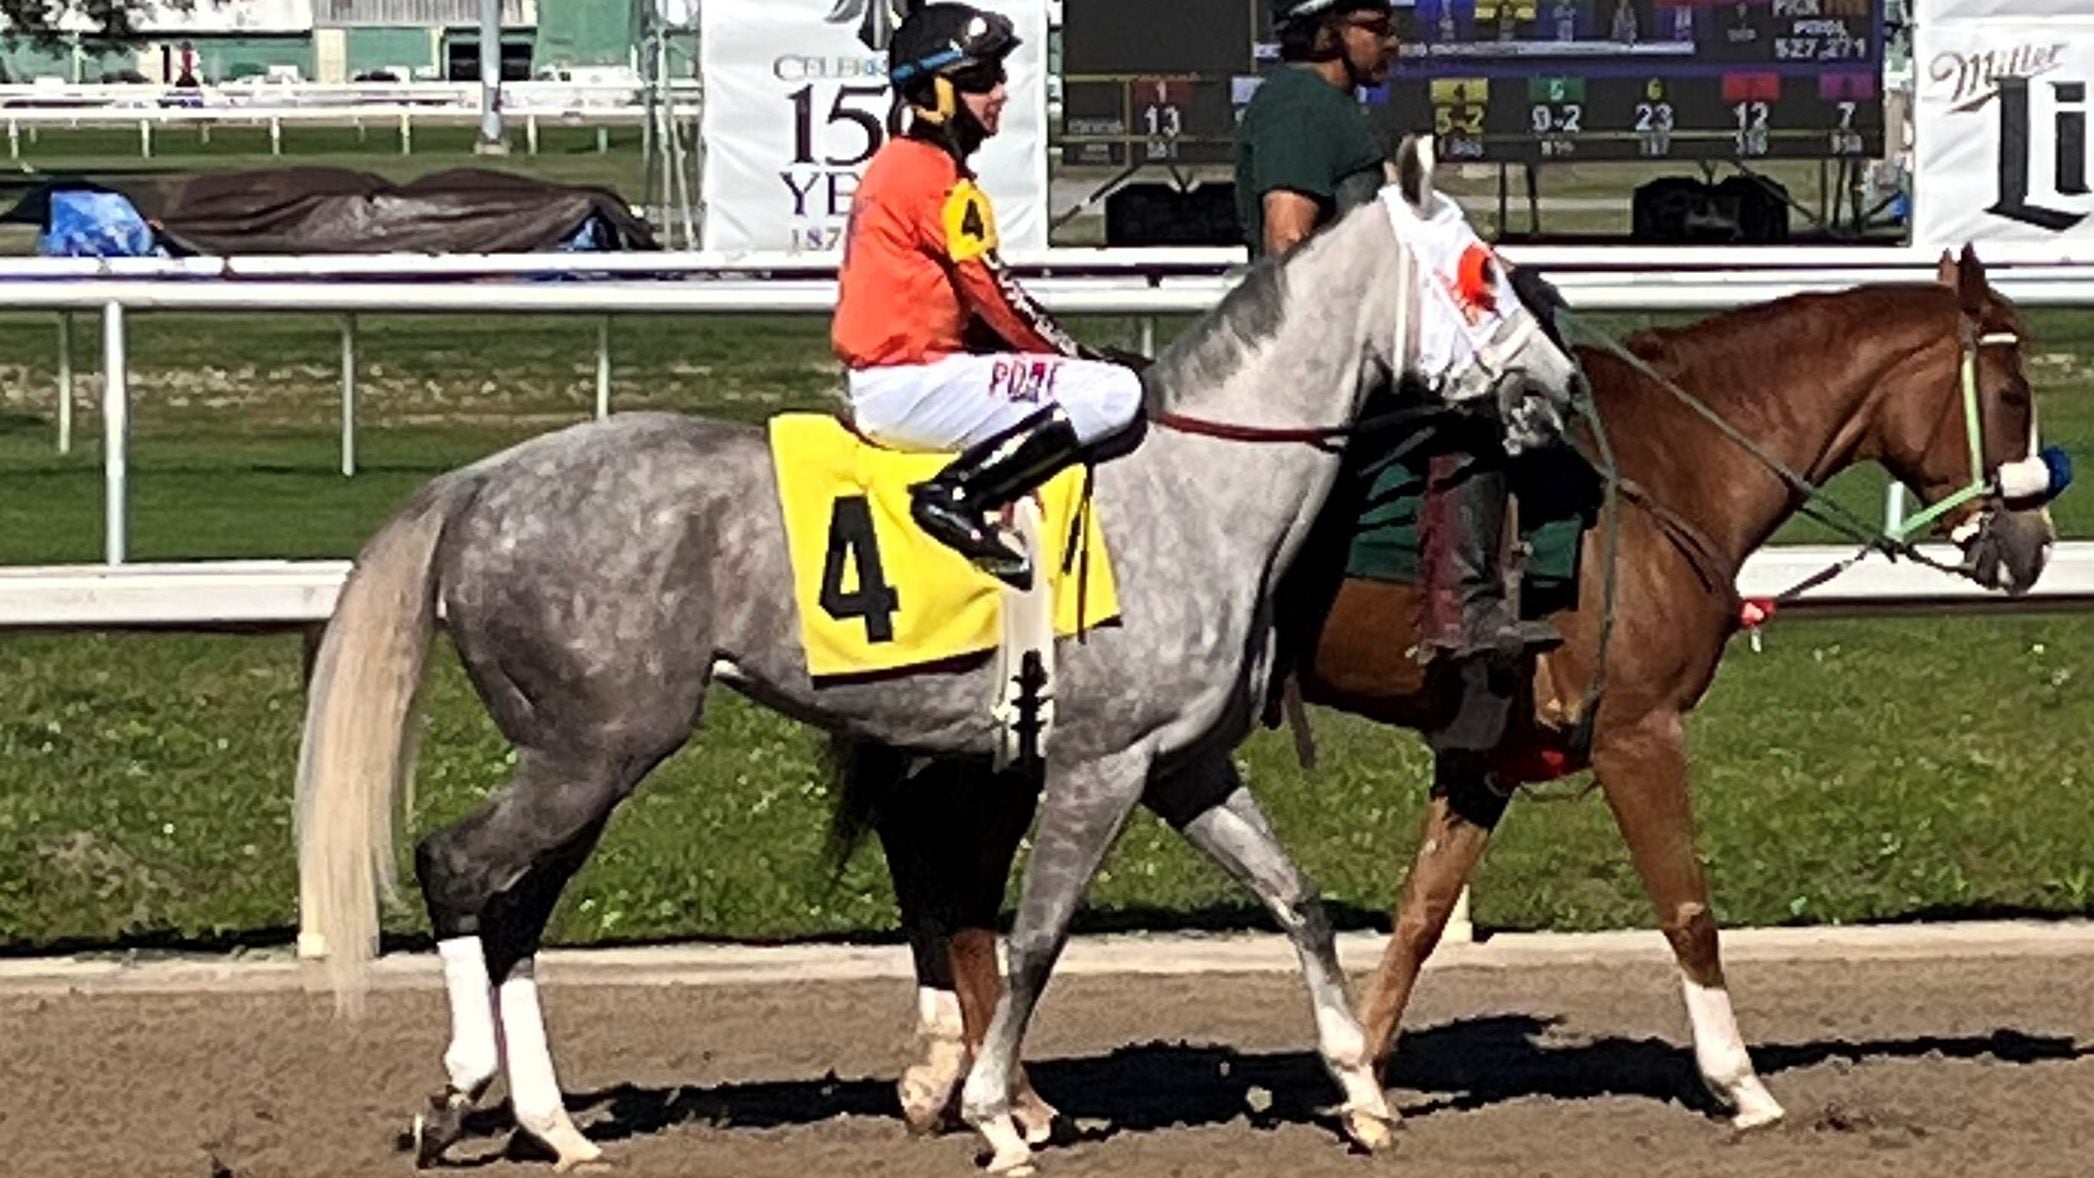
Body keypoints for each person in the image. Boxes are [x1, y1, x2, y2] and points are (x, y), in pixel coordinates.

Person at [1237, 0, 1560, 762]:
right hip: (1321, 359)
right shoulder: (1300, 106)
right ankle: (1466, 613)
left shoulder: (1335, 108)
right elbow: (1288, 239)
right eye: (1376, 26)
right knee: (1473, 407)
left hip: (1350, 345)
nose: (1394, 41)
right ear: (1327, 31)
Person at [833, 3, 1143, 588]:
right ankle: (956, 495)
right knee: (1116, 392)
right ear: (931, 95)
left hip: (904, 378)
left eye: (998, 75)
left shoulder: (904, 165)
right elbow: (997, 297)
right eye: (980, 79)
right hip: (912, 384)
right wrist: (1081, 357)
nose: (999, 91)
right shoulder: (930, 177)